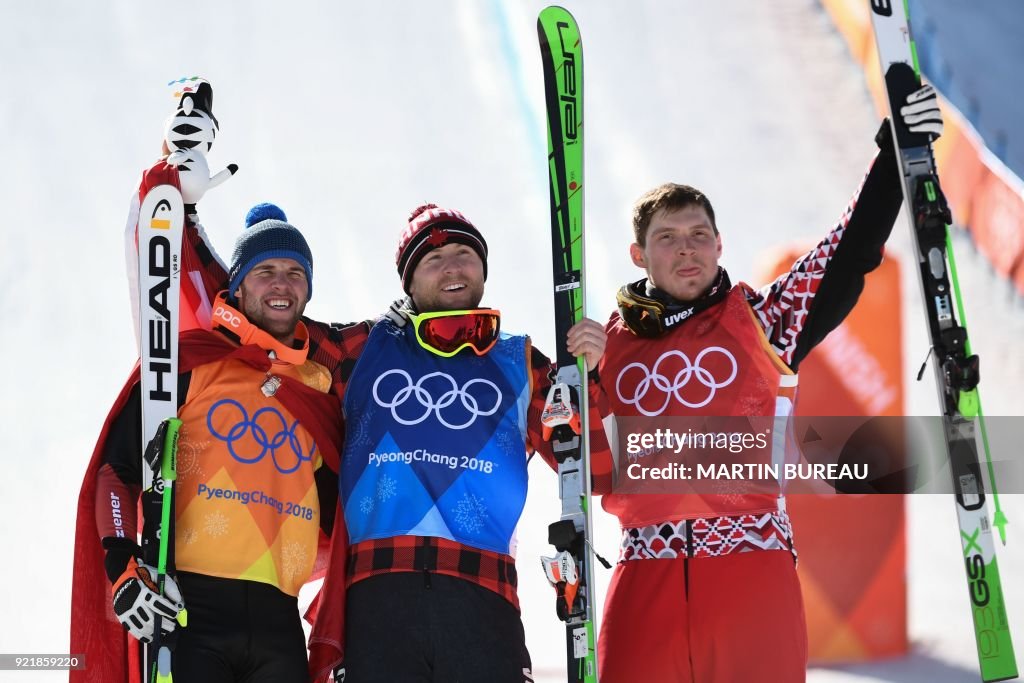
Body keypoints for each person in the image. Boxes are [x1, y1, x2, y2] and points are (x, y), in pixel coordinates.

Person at [595, 86, 944, 682]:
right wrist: (575, 385)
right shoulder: (608, 347)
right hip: (644, 574)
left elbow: (846, 252)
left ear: (720, 243)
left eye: (699, 234)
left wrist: (896, 155)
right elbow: (576, 455)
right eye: (668, 238)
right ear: (638, 254)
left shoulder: (761, 321)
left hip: (749, 574)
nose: (687, 250)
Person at [72, 208, 344, 683]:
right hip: (189, 613)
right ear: (237, 285)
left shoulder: (321, 388)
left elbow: (344, 514)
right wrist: (120, 568)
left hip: (280, 624)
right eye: (265, 271)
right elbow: (116, 473)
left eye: (295, 273)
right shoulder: (191, 363)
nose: (281, 283)